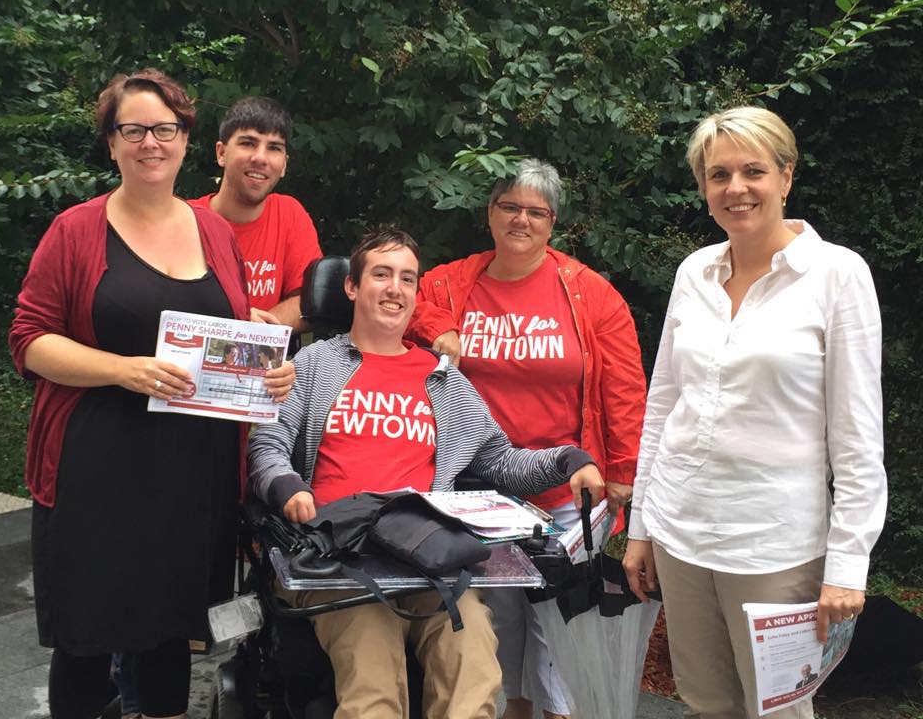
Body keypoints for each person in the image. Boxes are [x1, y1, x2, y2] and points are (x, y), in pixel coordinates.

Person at [8, 69, 290, 719]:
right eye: (132, 129)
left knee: (170, 633)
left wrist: (268, 372)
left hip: (192, 471)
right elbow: (28, 340)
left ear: (187, 139)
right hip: (95, 468)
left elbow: (231, 334)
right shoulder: (75, 231)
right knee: (85, 637)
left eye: (164, 129)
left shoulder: (215, 233)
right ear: (111, 142)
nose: (149, 143)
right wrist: (122, 369)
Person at [247, 227, 607, 719]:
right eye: (381, 275)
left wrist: (568, 460)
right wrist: (289, 489)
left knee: (475, 664)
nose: (395, 288)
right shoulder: (312, 365)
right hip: (339, 555)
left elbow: (498, 461)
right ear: (351, 287)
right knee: (373, 686)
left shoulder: (443, 379)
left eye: (407, 279)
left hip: (428, 554)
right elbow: (268, 446)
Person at [622, 106, 887, 719]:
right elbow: (663, 407)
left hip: (774, 546)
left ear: (786, 177)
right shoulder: (695, 272)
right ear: (703, 188)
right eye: (718, 175)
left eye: (753, 171)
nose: (735, 188)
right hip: (683, 535)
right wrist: (642, 527)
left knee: (779, 710)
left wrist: (848, 563)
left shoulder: (837, 275)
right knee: (707, 701)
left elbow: (858, 435)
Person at [406, 158, 647, 719]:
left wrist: (624, 472)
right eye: (509, 206)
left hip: (569, 489)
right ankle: (513, 708)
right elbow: (404, 297)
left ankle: (560, 712)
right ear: (489, 213)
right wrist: (436, 327)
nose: (521, 219)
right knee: (500, 613)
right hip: (478, 489)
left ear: (553, 221)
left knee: (556, 615)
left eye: (535, 211)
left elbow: (626, 385)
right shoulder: (453, 281)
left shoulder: (590, 293)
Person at [188, 95, 322, 329]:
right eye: (248, 143)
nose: (260, 157)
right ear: (221, 153)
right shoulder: (184, 219)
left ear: (284, 165)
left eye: (274, 148)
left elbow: (309, 301)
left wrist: (248, 334)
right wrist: (237, 323)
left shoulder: (289, 213)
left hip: (264, 362)